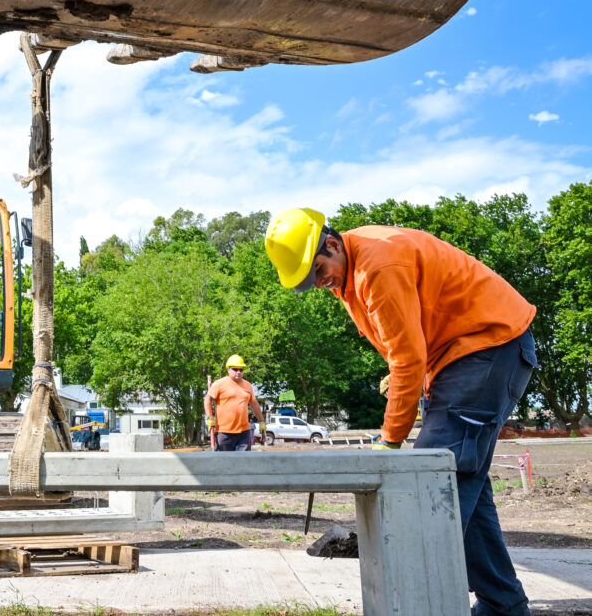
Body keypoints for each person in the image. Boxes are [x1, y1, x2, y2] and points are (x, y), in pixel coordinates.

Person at [264, 207, 536, 616]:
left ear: (332, 244)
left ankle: (421, 606)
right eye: (309, 282)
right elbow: (406, 345)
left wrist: (389, 441)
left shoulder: (377, 265)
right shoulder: (350, 274)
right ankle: (503, 607)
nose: (320, 283)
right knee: (461, 485)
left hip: (487, 347)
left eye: (318, 270)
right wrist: (409, 377)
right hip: (466, 357)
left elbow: (407, 358)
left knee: (427, 483)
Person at [204, 355, 264, 451]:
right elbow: (208, 399)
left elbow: (254, 404)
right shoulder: (219, 384)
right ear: (228, 369)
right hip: (224, 432)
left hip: (244, 432)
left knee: (243, 459)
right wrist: (209, 417)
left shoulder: (248, 385)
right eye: (235, 369)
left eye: (241, 369)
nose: (238, 372)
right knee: (225, 459)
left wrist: (262, 421)